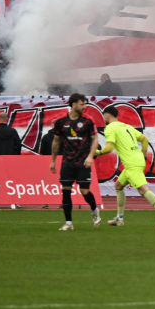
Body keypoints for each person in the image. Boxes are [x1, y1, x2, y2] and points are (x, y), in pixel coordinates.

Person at [94, 105, 155, 226]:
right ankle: (119, 218)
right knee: (118, 186)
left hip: (132, 164)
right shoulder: (126, 126)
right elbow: (145, 139)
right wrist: (143, 156)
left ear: (106, 115)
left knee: (143, 189)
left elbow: (108, 148)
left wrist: (98, 152)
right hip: (136, 161)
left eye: (104, 116)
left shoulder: (110, 128)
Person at [48, 94, 100, 231]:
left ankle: (94, 210)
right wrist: (53, 161)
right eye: (82, 104)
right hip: (67, 162)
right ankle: (68, 223)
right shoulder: (61, 122)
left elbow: (95, 140)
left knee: (84, 191)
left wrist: (90, 156)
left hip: (83, 162)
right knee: (65, 190)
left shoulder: (88, 120)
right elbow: (56, 142)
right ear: (74, 105)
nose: (85, 107)